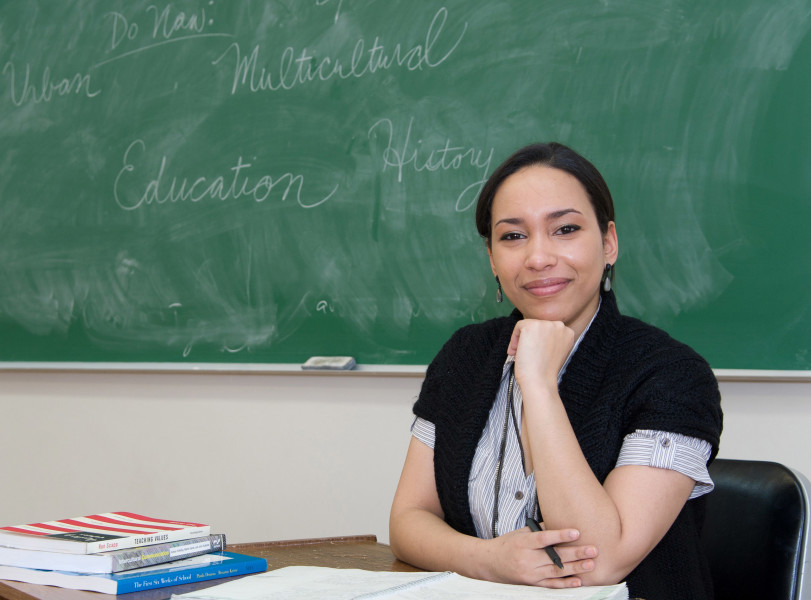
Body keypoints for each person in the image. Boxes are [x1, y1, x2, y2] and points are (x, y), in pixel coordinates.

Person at [389, 142, 723, 599]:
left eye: (565, 229)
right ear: (491, 257)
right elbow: (408, 520)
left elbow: (598, 562)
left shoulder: (672, 375)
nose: (538, 257)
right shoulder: (465, 355)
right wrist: (489, 560)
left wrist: (540, 386)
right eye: (512, 236)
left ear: (608, 243)